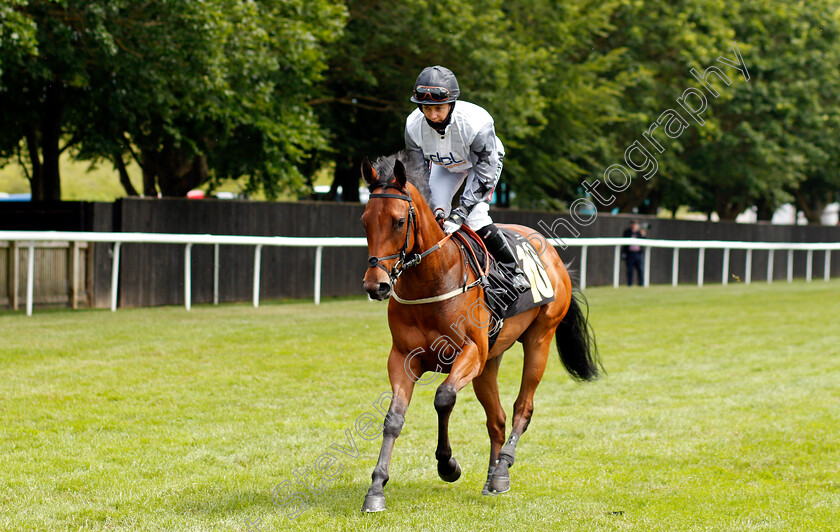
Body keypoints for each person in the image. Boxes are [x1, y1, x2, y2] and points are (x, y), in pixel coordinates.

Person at [404, 65, 529, 292]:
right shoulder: (413, 125)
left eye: (439, 108)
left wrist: (461, 211)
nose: (432, 115)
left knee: (476, 216)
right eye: (426, 108)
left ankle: (513, 270)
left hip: (481, 164)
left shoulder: (476, 122)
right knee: (432, 215)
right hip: (445, 164)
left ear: (451, 103)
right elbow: (418, 173)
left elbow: (485, 174)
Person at [621, 220, 647, 286]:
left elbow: (644, 241)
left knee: (640, 269)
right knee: (630, 269)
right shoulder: (627, 232)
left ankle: (641, 284)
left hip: (638, 253)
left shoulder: (639, 232)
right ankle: (630, 284)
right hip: (630, 254)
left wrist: (643, 234)